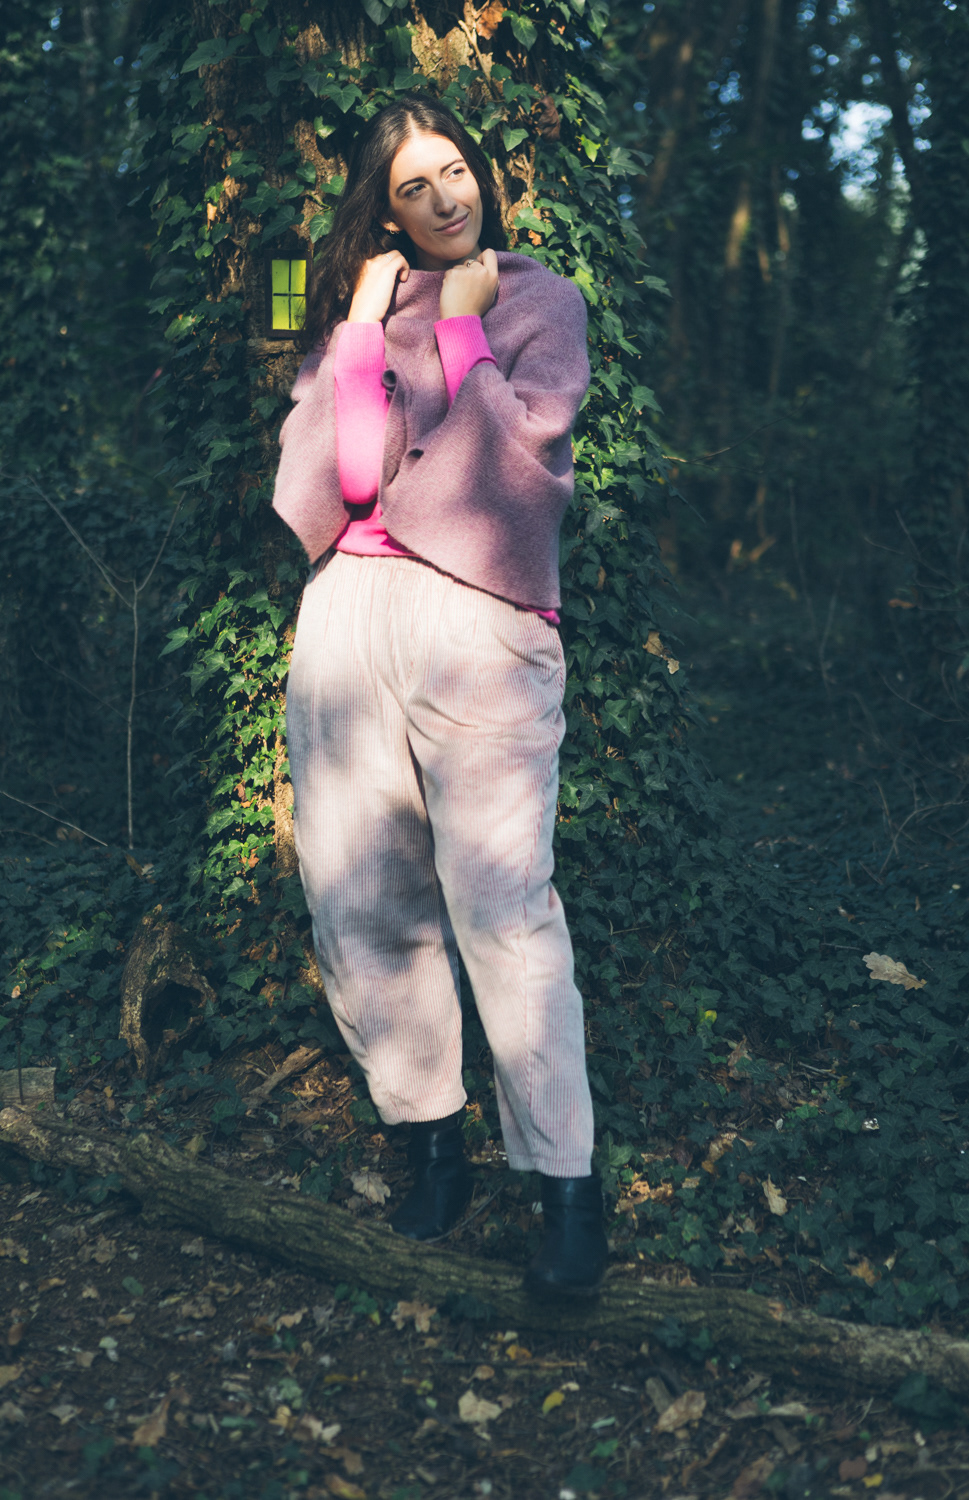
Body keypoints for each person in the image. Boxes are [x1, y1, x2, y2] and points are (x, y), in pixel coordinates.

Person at [272, 94, 607, 1298]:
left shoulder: (540, 299)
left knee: (504, 904)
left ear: (483, 174)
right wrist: (362, 332)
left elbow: (514, 462)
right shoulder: (347, 307)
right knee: (360, 895)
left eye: (454, 170)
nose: (443, 197)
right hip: (349, 615)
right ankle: (430, 1147)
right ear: (384, 210)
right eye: (412, 186)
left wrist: (462, 330)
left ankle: (564, 1188)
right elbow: (351, 476)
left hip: (483, 617)